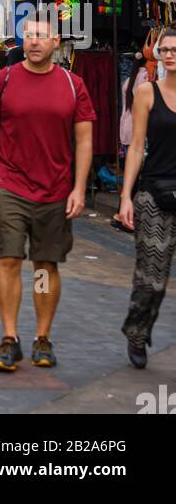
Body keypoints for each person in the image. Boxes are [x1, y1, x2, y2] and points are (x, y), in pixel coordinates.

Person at [0, 14, 95, 373]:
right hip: (10, 185)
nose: (35, 42)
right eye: (29, 36)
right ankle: (9, 338)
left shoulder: (73, 85)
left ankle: (42, 337)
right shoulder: (4, 80)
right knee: (9, 258)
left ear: (56, 41)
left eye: (42, 36)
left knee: (45, 263)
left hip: (55, 189)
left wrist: (79, 187)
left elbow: (84, 138)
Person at [119, 26, 176, 368]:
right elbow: (137, 146)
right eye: (165, 49)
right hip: (154, 194)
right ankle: (137, 333)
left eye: (175, 49)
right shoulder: (146, 92)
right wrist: (126, 196)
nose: (170, 54)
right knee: (152, 278)